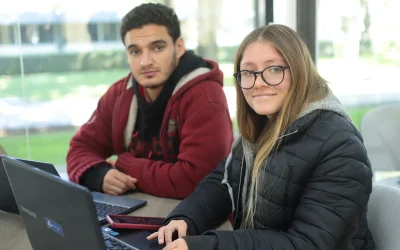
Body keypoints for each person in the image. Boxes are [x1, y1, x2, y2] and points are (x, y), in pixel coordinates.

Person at [147, 24, 375, 250]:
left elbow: (309, 244)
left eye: (274, 69)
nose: (258, 82)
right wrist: (186, 218)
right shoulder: (264, 126)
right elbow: (223, 182)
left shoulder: (339, 146)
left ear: (299, 71)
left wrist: (210, 245)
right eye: (248, 72)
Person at [66, 3, 233, 199]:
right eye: (135, 52)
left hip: (194, 218)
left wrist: (125, 164)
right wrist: (99, 176)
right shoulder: (121, 93)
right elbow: (79, 149)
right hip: (139, 207)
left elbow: (195, 181)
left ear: (178, 47)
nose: (145, 62)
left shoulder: (206, 97)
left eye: (157, 48)